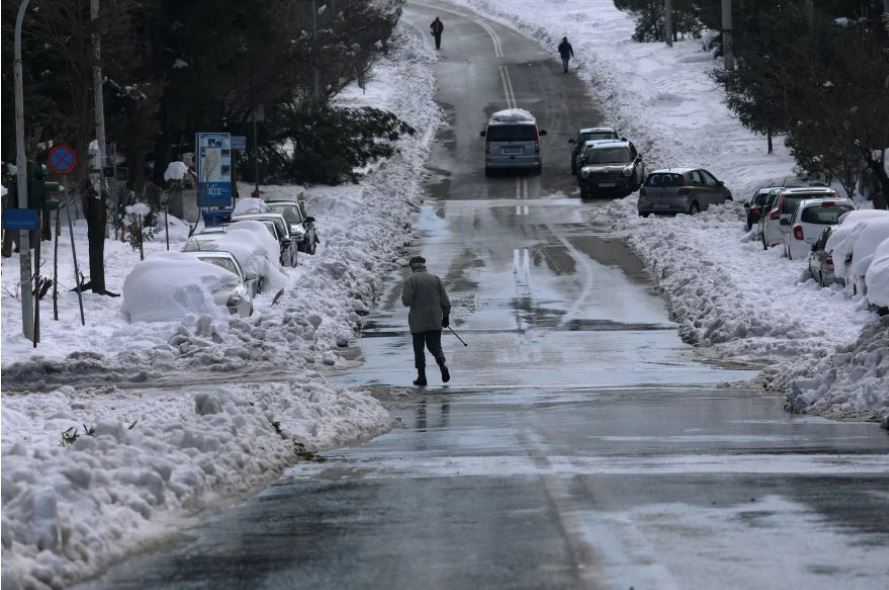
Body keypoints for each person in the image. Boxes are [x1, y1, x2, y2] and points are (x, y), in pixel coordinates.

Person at [402, 255, 451, 387]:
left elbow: (406, 302)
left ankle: (422, 377)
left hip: (417, 321)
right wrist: (445, 317)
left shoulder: (410, 280)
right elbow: (445, 302)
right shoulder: (435, 279)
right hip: (435, 319)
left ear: (412, 266)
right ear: (424, 265)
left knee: (419, 349)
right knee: (435, 346)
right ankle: (442, 363)